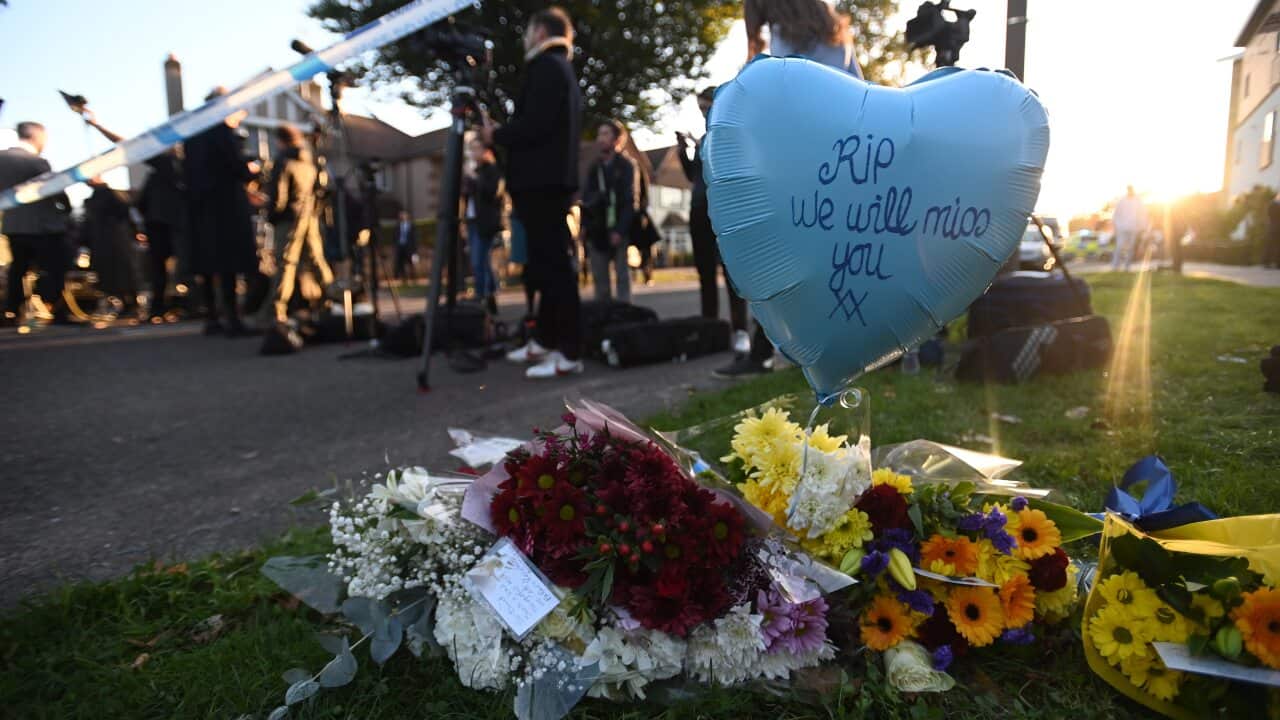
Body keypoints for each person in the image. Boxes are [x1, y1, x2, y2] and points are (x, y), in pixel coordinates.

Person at [483, 6, 583, 379]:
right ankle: (545, 339)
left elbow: (534, 126)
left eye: (528, 30)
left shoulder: (546, 67)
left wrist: (497, 135)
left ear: (541, 31)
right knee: (545, 265)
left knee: (554, 266)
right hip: (549, 181)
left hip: (542, 182)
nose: (525, 38)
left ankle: (569, 350)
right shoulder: (562, 70)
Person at [83, 111, 185, 320]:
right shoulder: (167, 170)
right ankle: (167, 306)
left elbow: (130, 146)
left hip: (168, 224)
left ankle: (168, 306)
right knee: (164, 269)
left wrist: (97, 125)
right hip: (166, 224)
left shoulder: (166, 165)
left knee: (164, 268)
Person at [679, 86, 751, 355]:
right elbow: (693, 177)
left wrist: (703, 147)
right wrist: (683, 152)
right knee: (705, 273)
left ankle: (740, 329)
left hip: (724, 210)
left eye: (706, 107)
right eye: (700, 108)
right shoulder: (702, 139)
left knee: (732, 273)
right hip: (699, 209)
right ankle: (710, 330)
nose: (703, 113)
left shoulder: (729, 135)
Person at [184, 91, 260, 336]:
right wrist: (250, 169)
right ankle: (233, 320)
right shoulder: (222, 133)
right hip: (226, 206)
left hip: (200, 207)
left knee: (208, 263)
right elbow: (236, 168)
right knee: (229, 262)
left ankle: (212, 318)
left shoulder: (193, 134)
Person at [0, 122, 71, 327]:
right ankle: (56, 309)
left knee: (18, 270)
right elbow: (55, 189)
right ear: (37, 136)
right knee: (52, 268)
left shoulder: (2, 159)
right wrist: (65, 211)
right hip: (43, 226)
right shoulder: (36, 162)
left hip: (14, 224)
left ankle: (12, 311)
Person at [267, 123, 334, 325]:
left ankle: (278, 310)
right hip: (309, 216)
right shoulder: (308, 162)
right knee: (317, 259)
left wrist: (272, 216)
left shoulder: (283, 162)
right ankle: (333, 299)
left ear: (280, 140)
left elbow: (279, 197)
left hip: (289, 219)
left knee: (286, 263)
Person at [581, 120, 638, 303]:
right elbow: (586, 200)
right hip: (597, 229)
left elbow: (630, 200)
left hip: (617, 228)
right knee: (600, 280)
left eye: (605, 134)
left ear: (616, 139)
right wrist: (584, 227)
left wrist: (620, 230)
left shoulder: (626, 166)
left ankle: (624, 319)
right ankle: (603, 321)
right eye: (599, 134)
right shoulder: (594, 168)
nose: (601, 139)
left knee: (622, 276)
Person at [744, 0, 864, 78]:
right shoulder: (834, 25)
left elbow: (785, 83)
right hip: (846, 108)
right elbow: (859, 81)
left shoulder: (781, 34)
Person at [82, 177, 139, 316]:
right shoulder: (112, 196)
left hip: (109, 239)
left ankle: (128, 302)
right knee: (118, 272)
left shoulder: (103, 197)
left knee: (116, 272)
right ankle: (128, 302)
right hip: (111, 238)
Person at [462, 138, 505, 314]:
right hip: (472, 220)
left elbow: (492, 193)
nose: (473, 153)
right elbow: (468, 196)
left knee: (478, 260)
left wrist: (474, 177)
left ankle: (483, 295)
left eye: (476, 149)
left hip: (484, 222)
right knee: (482, 261)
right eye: (470, 149)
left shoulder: (492, 170)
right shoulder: (476, 171)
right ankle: (490, 294)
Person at [1111, 185, 1147, 272]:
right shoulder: (1122, 201)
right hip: (1122, 228)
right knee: (1119, 247)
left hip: (1134, 228)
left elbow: (1142, 214)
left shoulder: (1138, 201)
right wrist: (1116, 226)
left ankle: (1127, 267)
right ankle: (1115, 266)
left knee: (1131, 248)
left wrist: (1143, 227)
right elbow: (1116, 214)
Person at [393, 210, 417, 281]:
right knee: (400, 262)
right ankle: (402, 276)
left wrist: (414, 248)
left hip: (408, 247)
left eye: (405, 215)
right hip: (400, 246)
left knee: (410, 262)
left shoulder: (411, 226)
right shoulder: (398, 225)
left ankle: (412, 276)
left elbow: (414, 237)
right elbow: (395, 236)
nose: (403, 216)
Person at [1266, 192, 1280, 269]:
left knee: (1275, 246)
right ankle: (1268, 262)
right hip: (1274, 228)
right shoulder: (1273, 205)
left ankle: (1276, 263)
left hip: (1273, 227)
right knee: (1272, 245)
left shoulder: (1273, 204)